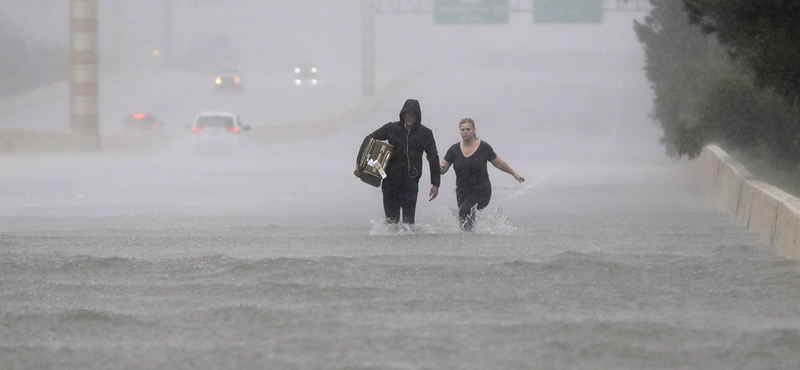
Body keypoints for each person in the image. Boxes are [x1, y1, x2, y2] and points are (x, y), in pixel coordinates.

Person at [355, 99, 440, 224]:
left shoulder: (425, 133)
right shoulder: (392, 128)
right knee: (391, 222)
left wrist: (435, 184)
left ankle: (407, 243)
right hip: (390, 180)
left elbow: (433, 158)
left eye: (413, 114)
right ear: (403, 114)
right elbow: (369, 139)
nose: (410, 116)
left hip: (411, 182)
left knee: (408, 223)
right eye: (407, 113)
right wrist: (360, 163)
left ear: (418, 115)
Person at [440, 118, 524, 231]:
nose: (465, 132)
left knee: (465, 211)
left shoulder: (484, 147)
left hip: (482, 189)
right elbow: (443, 168)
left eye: (468, 129)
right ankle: (471, 239)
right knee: (465, 216)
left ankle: (467, 239)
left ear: (474, 130)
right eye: (462, 129)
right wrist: (439, 169)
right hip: (462, 191)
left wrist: (514, 173)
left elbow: (498, 162)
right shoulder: (454, 149)